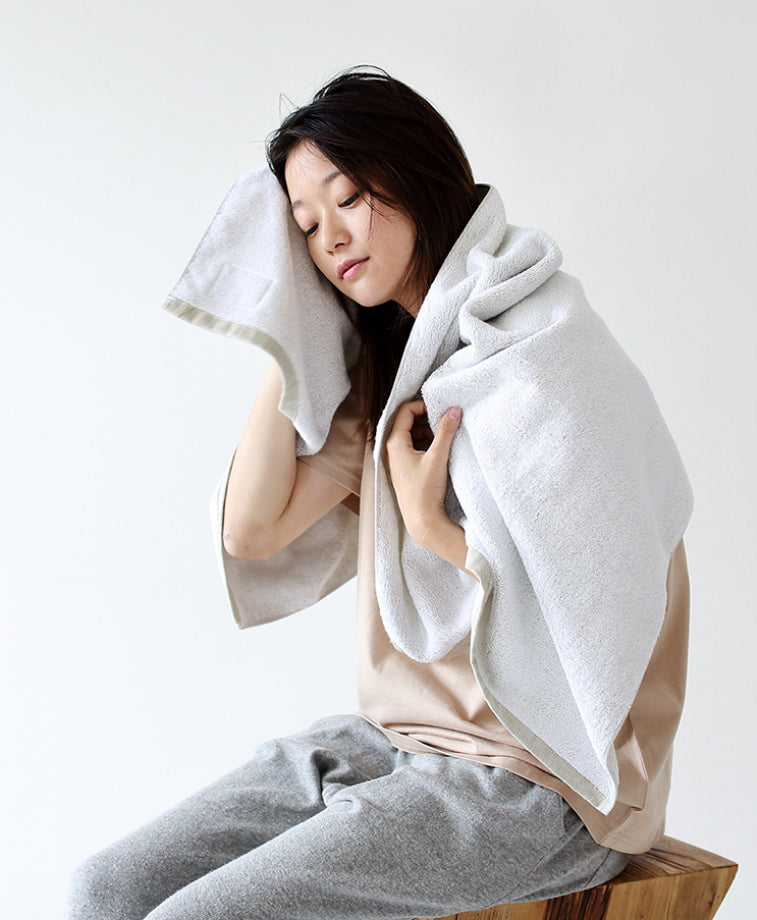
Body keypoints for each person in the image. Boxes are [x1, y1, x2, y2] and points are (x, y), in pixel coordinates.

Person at [68, 67, 692, 920]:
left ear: (416, 172)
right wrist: (294, 332)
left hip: (542, 779)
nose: (329, 238)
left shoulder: (543, 349)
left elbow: (604, 602)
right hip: (396, 740)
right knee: (104, 890)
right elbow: (252, 530)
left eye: (350, 198)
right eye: (305, 226)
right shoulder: (391, 373)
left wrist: (429, 524)